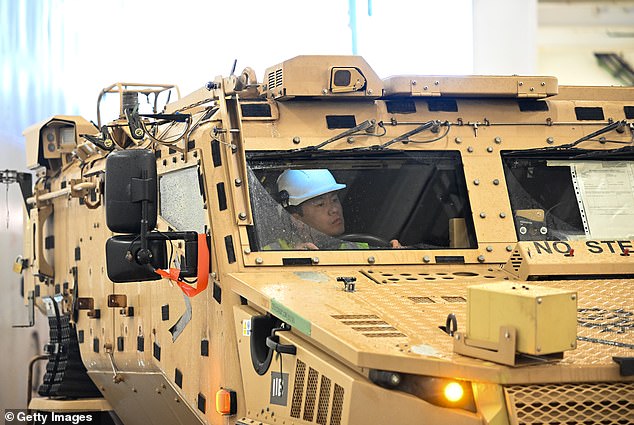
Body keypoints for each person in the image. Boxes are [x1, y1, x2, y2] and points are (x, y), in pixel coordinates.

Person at [265, 169, 401, 250]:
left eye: (335, 200)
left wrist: (395, 254)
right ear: (296, 218)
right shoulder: (270, 253)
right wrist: (292, 264)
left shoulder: (356, 249)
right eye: (320, 204)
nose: (334, 210)